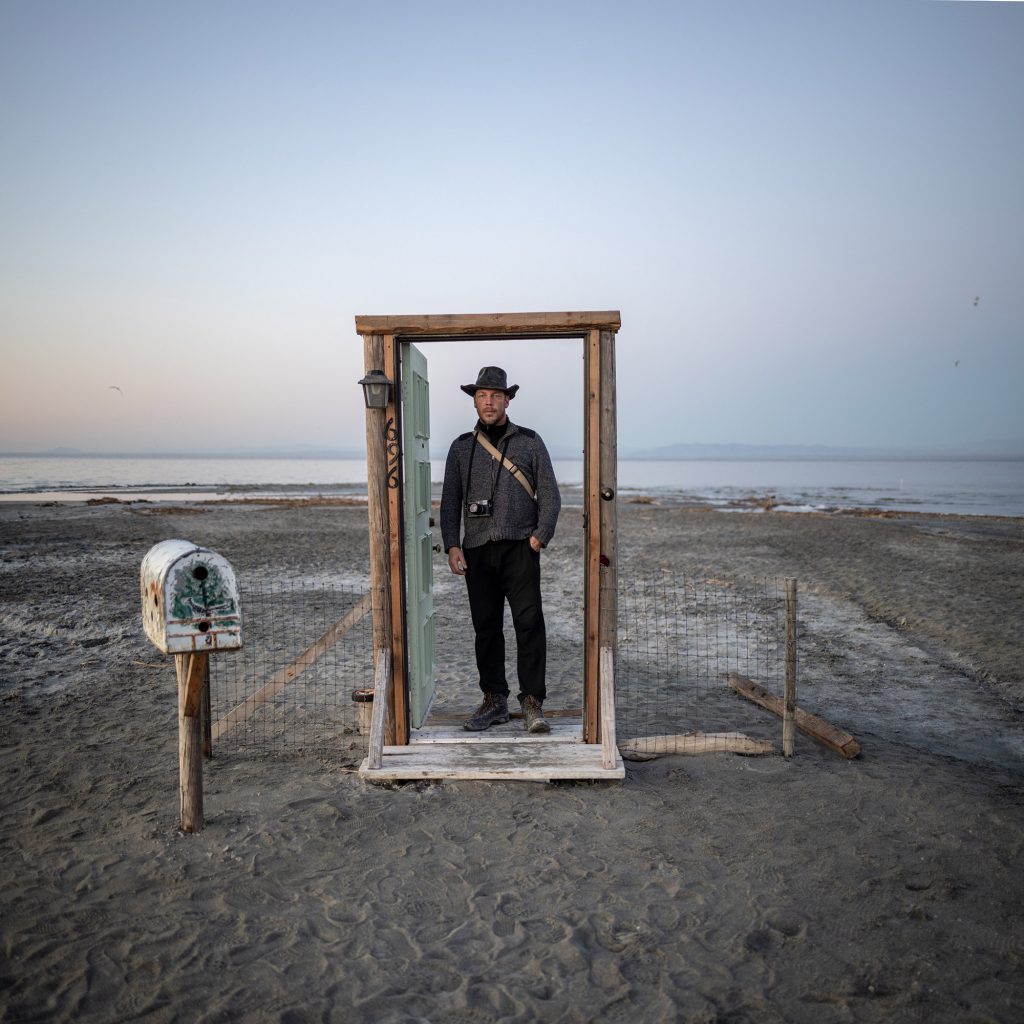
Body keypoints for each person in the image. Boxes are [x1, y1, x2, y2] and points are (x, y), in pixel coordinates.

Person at [440, 366, 561, 733]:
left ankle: (532, 703)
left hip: (521, 548)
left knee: (529, 625)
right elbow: (449, 502)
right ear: (474, 401)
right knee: (487, 629)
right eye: (481, 396)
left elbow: (551, 495)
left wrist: (540, 535)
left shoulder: (529, 441)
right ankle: (494, 700)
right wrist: (452, 545)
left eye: (495, 396)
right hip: (476, 551)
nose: (488, 402)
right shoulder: (461, 447)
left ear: (507, 399)